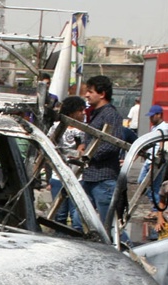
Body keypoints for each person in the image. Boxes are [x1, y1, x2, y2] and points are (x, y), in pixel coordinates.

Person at [82, 75, 124, 223]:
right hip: (90, 176)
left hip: (103, 179)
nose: (87, 95)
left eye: (90, 91)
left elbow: (112, 145)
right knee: (80, 219)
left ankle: (124, 247)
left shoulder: (110, 115)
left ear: (102, 94)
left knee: (109, 225)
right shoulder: (96, 114)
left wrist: (88, 155)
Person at [48, 95, 86, 231]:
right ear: (71, 112)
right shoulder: (56, 128)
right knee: (59, 215)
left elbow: (83, 147)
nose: (83, 113)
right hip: (58, 176)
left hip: (78, 176)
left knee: (77, 216)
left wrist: (79, 152)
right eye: (80, 110)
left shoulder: (84, 130)